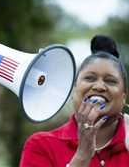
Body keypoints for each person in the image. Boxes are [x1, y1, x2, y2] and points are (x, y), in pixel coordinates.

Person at [20, 34, 129, 166]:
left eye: (110, 81)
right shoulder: (41, 145)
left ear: (124, 97)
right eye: (90, 78)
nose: (99, 86)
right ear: (74, 91)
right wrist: (82, 156)